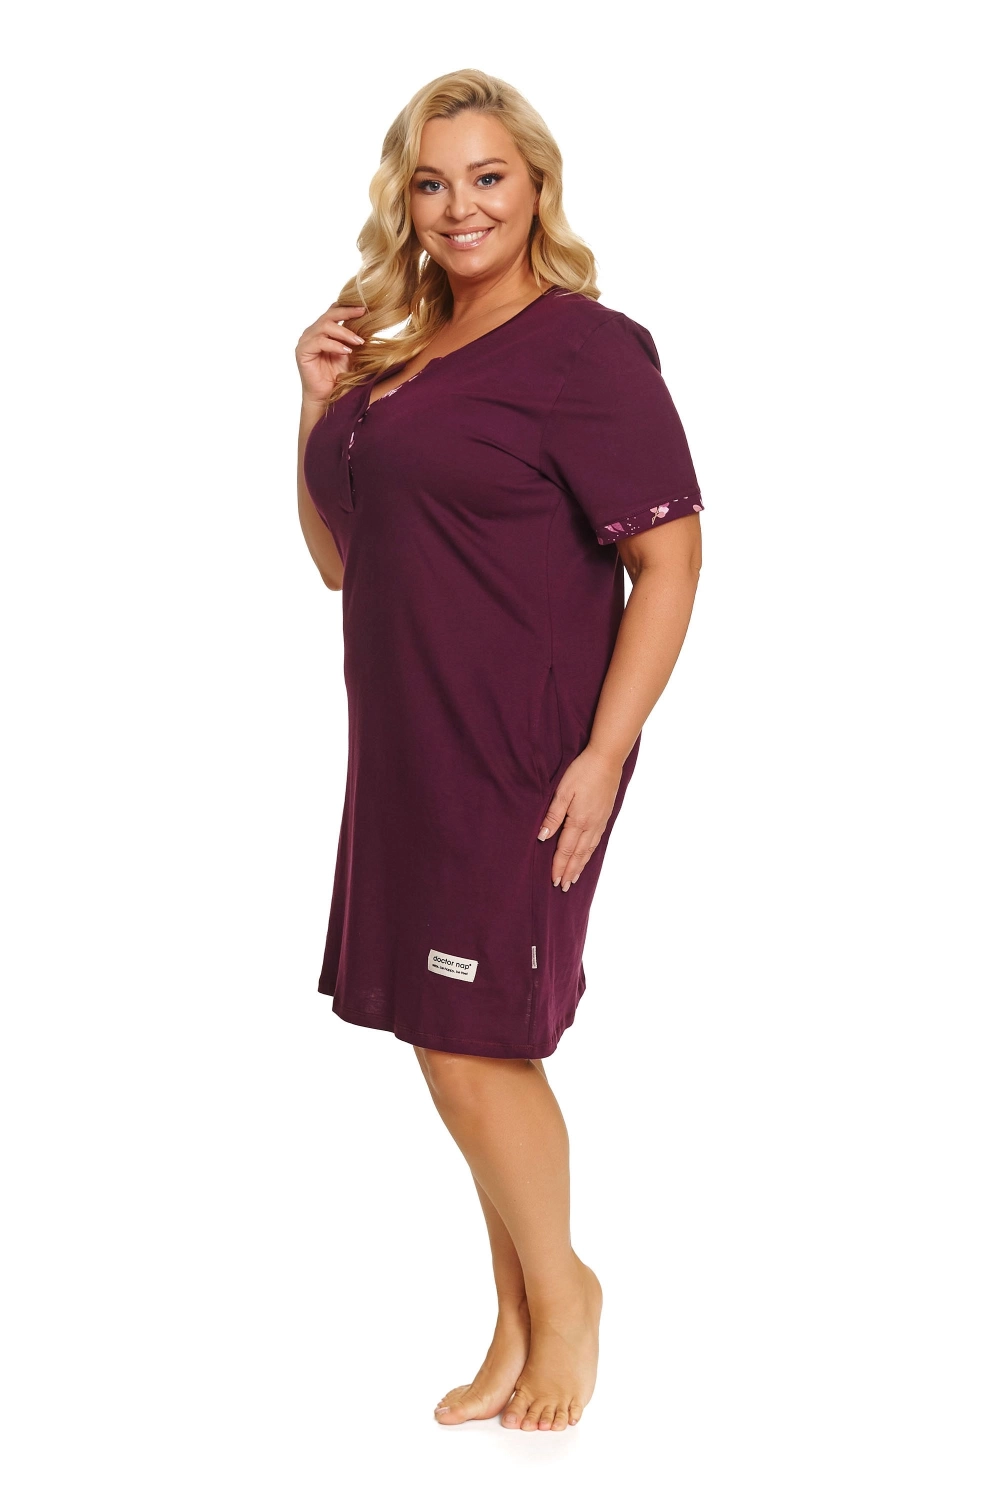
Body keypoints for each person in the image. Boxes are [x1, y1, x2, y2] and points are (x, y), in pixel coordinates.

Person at [294, 68, 704, 1434]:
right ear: (402, 202)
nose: (460, 205)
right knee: (447, 1034)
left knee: (473, 1042)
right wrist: (315, 404)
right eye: (432, 182)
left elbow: (670, 560)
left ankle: (567, 1298)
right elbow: (343, 561)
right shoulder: (402, 357)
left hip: (522, 758)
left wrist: (605, 755)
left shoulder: (587, 351)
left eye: (487, 177)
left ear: (535, 187)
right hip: (407, 751)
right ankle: (516, 1315)